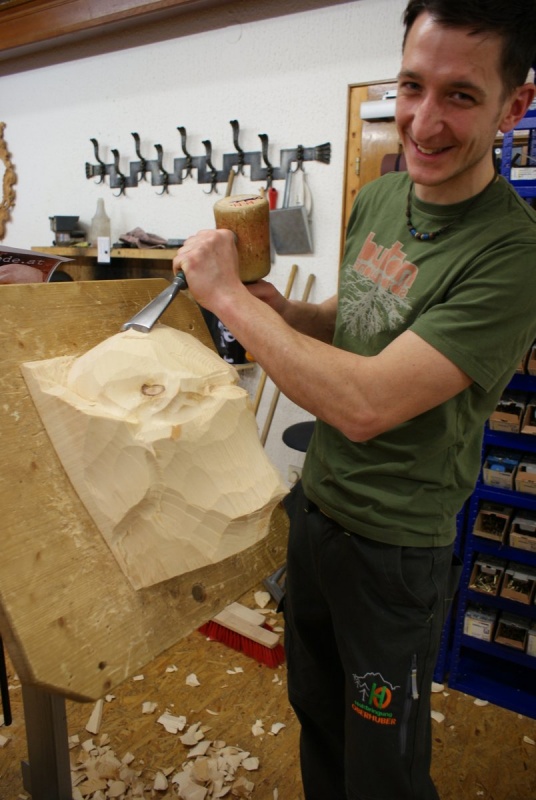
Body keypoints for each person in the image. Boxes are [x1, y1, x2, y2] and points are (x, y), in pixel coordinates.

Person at [172, 1, 536, 797]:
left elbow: (365, 404)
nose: (424, 122)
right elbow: (363, 316)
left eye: (460, 95)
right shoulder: (382, 196)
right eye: (412, 86)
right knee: (318, 716)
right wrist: (283, 311)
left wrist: (227, 300)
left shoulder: (513, 257)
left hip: (393, 552)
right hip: (319, 512)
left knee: (382, 769)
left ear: (515, 106)